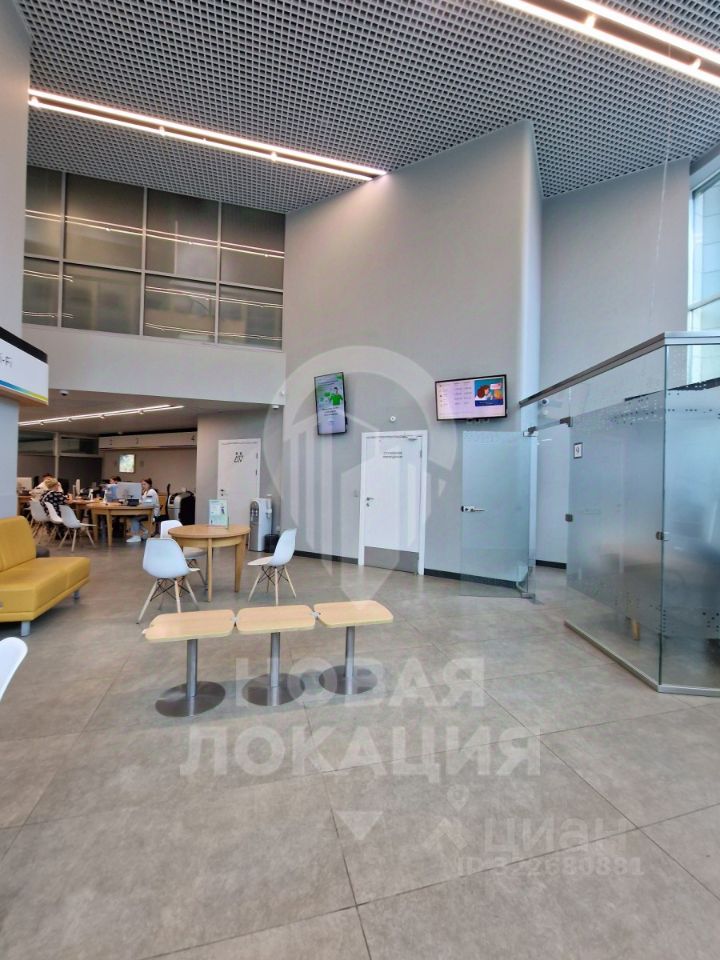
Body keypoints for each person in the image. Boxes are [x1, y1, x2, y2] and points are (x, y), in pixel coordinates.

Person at [127, 478, 160, 543]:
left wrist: (138, 505)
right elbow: (142, 501)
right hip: (147, 511)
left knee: (134, 519)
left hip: (152, 513)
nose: (143, 486)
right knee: (133, 518)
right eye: (142, 484)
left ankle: (136, 537)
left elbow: (148, 504)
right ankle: (145, 531)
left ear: (149, 484)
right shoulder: (146, 492)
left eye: (144, 484)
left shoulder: (151, 492)